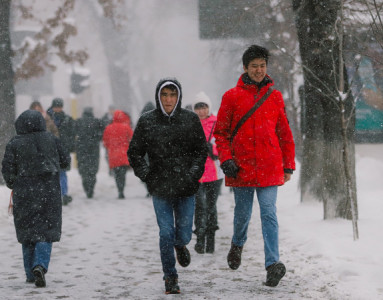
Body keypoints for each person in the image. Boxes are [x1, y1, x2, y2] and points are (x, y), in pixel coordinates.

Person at [214, 45, 296, 287]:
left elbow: (284, 133)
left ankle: (272, 264)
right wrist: (226, 159)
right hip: (242, 166)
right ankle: (237, 244)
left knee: (269, 212)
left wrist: (288, 165)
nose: (259, 70)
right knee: (242, 214)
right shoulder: (231, 97)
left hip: (270, 166)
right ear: (245, 68)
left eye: (262, 66)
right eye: (254, 66)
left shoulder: (275, 97)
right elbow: (221, 133)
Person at [127, 78, 208, 294]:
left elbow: (201, 150)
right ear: (158, 97)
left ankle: (180, 245)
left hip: (185, 187)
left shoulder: (190, 119)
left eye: (173, 95)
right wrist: (147, 175)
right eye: (165, 95)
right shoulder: (147, 121)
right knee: (165, 233)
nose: (169, 99)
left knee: (183, 234)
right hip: (160, 187)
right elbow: (134, 152)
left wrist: (193, 175)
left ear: (179, 96)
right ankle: (170, 277)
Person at [1, 110, 70, 288]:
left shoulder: (14, 143)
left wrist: (13, 183)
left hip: (24, 193)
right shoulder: (51, 140)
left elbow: (7, 169)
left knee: (28, 233)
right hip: (49, 192)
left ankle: (29, 273)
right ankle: (40, 265)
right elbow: (65, 161)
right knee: (46, 231)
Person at [192, 92, 224, 254]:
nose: (201, 111)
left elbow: (224, 143)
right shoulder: (190, 125)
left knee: (211, 206)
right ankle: (200, 238)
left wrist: (213, 149)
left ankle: (210, 240)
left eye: (203, 107)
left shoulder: (217, 124)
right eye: (198, 107)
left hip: (214, 173)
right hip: (196, 173)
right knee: (199, 206)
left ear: (209, 108)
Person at [47, 98, 75, 205]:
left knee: (62, 172)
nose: (58, 109)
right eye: (56, 107)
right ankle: (56, 194)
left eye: (59, 107)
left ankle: (63, 194)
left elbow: (71, 134)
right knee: (53, 173)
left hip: (62, 149)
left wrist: (68, 146)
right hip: (51, 149)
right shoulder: (47, 118)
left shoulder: (66, 119)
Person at [102, 110, 133, 199]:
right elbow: (132, 139)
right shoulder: (126, 127)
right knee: (122, 174)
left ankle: (119, 190)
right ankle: (122, 189)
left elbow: (105, 142)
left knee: (117, 174)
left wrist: (110, 147)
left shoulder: (108, 128)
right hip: (123, 154)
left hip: (113, 155)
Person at [74, 107, 104, 198]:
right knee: (93, 170)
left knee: (84, 170)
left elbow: (74, 133)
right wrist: (96, 139)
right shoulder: (97, 121)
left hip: (81, 149)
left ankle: (86, 187)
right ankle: (91, 188)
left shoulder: (78, 121)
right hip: (93, 149)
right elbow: (101, 134)